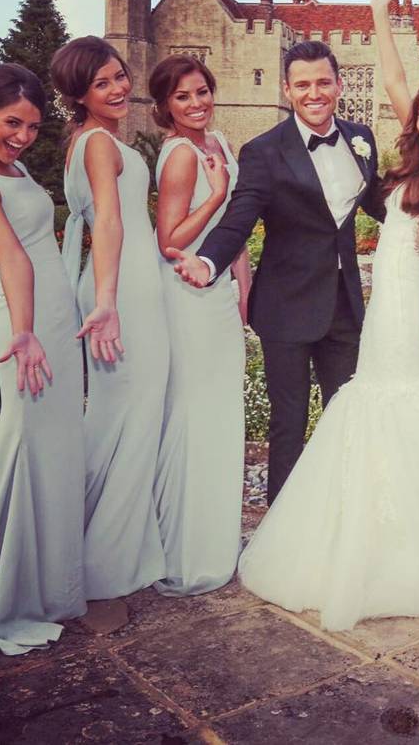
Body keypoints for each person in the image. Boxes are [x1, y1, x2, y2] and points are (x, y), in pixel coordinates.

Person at [230, 0, 419, 631]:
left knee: (390, 400)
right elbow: (394, 83)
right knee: (367, 408)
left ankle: (398, 543)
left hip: (406, 304)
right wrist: (380, 17)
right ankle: (346, 527)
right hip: (381, 300)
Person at [168, 40, 384, 505]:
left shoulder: (361, 138)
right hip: (285, 307)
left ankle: (342, 513)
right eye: (302, 85)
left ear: (339, 85)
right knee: (288, 422)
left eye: (323, 82)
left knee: (347, 414)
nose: (314, 93)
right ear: (287, 90)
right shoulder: (263, 151)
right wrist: (209, 261)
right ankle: (283, 521)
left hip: (344, 305)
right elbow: (239, 219)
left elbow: (379, 203)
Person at [0, 64, 85, 659]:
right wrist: (24, 332)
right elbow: (12, 257)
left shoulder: (15, 170)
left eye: (34, 127)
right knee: (21, 447)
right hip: (23, 330)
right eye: (12, 123)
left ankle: (46, 586)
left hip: (53, 324)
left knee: (54, 450)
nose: (23, 136)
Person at [52, 35, 169, 600]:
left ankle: (81, 547)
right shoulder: (99, 143)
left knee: (115, 414)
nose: (119, 88)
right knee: (132, 415)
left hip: (116, 284)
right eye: (102, 83)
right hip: (122, 289)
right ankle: (104, 566)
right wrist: (107, 302)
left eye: (119, 75)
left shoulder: (86, 139)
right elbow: (109, 221)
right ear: (79, 95)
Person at [150, 55, 251, 596]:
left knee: (219, 411)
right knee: (195, 411)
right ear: (166, 106)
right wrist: (214, 193)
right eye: (183, 96)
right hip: (188, 294)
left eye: (202, 91)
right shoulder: (181, 155)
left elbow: (236, 227)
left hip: (219, 292)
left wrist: (244, 291)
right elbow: (170, 240)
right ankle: (185, 549)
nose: (196, 103)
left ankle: (215, 539)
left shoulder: (219, 143)